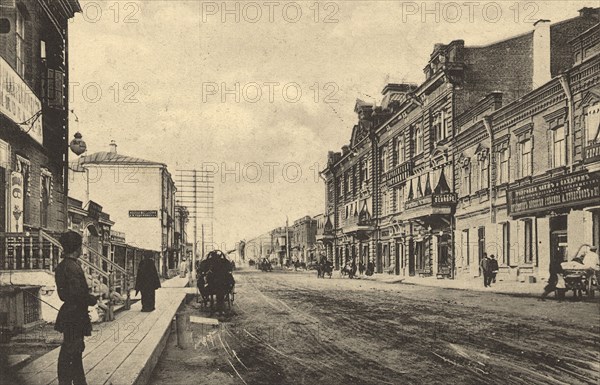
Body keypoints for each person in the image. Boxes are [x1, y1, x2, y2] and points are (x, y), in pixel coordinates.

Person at [55, 231, 97, 385]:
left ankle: (77, 381)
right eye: (81, 246)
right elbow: (77, 294)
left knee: (73, 350)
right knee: (72, 351)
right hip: (75, 315)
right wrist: (92, 299)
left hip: (71, 313)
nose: (82, 249)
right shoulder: (72, 267)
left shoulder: (65, 265)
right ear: (76, 248)